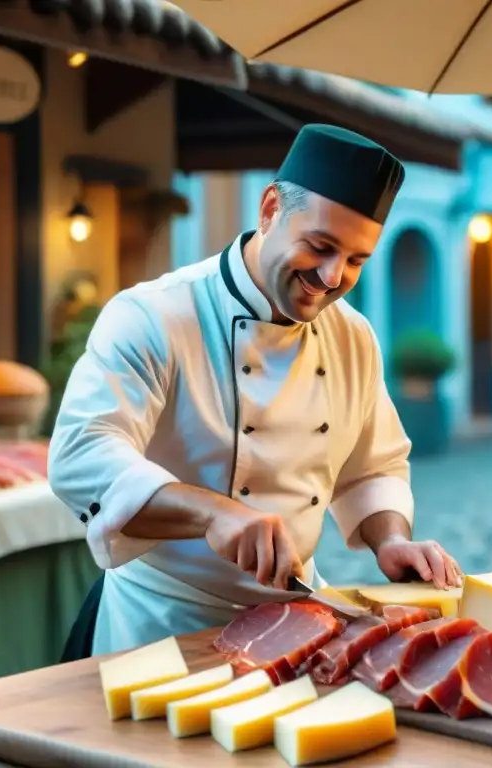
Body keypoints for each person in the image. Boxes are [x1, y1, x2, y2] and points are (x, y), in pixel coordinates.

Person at [49, 124, 463, 657]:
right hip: (162, 624)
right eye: (320, 246)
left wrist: (392, 540)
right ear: (270, 209)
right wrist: (214, 514)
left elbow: (374, 466)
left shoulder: (353, 337)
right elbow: (82, 454)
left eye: (357, 260)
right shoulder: (153, 315)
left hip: (295, 622)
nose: (333, 276)